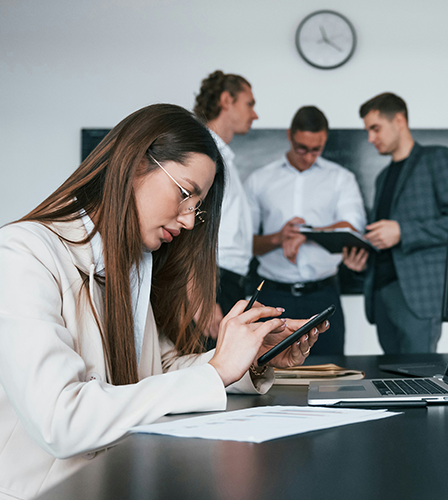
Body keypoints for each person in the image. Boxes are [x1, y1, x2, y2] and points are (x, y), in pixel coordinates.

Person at [0, 104, 325, 500]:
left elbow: (161, 369)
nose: (189, 220)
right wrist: (217, 370)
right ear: (136, 163)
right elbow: (60, 420)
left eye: (197, 207)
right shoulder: (23, 253)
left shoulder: (136, 262)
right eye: (186, 193)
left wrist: (247, 357)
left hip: (127, 478)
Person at [343, 93, 448, 354]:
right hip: (380, 294)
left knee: (419, 380)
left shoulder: (437, 158)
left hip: (417, 296)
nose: (370, 138)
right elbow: (383, 239)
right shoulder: (382, 178)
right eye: (368, 130)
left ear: (399, 120)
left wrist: (402, 231)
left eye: (375, 128)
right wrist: (360, 261)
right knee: (391, 383)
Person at [245, 106, 366, 355]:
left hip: (323, 296)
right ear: (290, 135)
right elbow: (246, 243)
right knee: (267, 374)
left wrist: (306, 233)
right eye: (302, 148)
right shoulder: (259, 180)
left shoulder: (341, 178)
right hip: (273, 298)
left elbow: (352, 227)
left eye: (316, 149)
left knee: (331, 374)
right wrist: (279, 238)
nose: (309, 156)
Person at [194, 71, 258, 344]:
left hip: (227, 282)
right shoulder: (204, 154)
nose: (255, 114)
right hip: (212, 282)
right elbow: (190, 227)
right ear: (226, 100)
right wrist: (200, 297)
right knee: (210, 373)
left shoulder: (222, 156)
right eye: (249, 104)